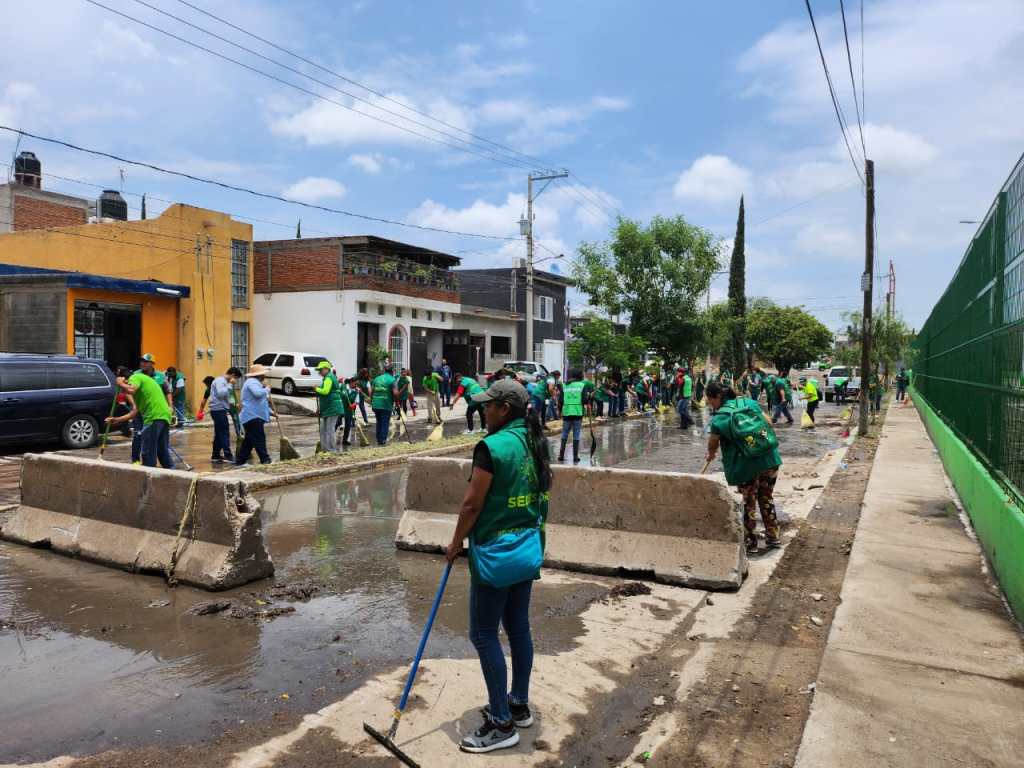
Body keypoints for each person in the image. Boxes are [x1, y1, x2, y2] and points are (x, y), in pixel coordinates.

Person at [444, 379, 551, 754]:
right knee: (518, 626)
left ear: (504, 408)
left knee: (483, 634)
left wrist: (456, 542)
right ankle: (518, 702)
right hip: (526, 547)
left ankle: (502, 723)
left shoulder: (491, 447)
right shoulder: (534, 441)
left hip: (495, 553)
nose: (482, 410)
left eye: (487, 406)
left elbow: (472, 505)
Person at [704, 381, 783, 554]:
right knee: (766, 496)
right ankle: (773, 537)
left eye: (710, 400)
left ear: (717, 397)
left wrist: (710, 454)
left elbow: (713, 443)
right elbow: (769, 423)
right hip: (770, 459)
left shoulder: (719, 419)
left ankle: (750, 543)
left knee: (748, 503)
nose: (710, 404)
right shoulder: (749, 403)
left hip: (747, 466)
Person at [107, 362, 174, 469]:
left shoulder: (135, 377)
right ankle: (173, 474)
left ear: (125, 379)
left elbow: (131, 388)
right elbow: (134, 412)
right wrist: (117, 419)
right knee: (162, 451)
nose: (124, 392)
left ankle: (147, 479)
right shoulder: (142, 389)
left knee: (147, 452)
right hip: (163, 416)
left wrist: (120, 383)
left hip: (153, 417)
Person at [130, 354, 172, 463]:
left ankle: (154, 466)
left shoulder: (160, 376)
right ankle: (135, 460)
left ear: (152, 364)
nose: (142, 364)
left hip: (155, 411)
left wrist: (170, 407)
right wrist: (134, 405)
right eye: (141, 361)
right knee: (138, 435)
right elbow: (132, 391)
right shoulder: (136, 375)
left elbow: (168, 392)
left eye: (146, 362)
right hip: (141, 411)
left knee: (155, 442)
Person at [235, 364, 272, 465]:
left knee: (249, 441)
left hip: (253, 416)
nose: (265, 376)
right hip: (252, 417)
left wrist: (271, 412)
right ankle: (265, 459)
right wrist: (267, 389)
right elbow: (258, 394)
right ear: (259, 375)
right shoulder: (252, 382)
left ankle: (240, 461)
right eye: (263, 374)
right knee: (259, 438)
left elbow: (260, 402)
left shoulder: (256, 383)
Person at [208, 367, 241, 463]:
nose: (235, 380)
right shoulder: (220, 381)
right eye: (236, 378)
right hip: (218, 410)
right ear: (233, 375)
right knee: (224, 432)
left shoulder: (225, 383)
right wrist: (230, 384)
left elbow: (228, 396)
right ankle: (228, 455)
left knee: (219, 433)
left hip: (221, 409)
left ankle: (215, 455)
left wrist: (234, 404)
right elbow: (220, 394)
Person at [558, 368, 589, 463]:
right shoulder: (582, 385)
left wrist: (560, 412)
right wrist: (588, 400)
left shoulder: (564, 386)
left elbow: (560, 401)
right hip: (577, 412)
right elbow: (584, 400)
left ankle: (561, 456)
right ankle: (575, 457)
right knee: (576, 434)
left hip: (566, 412)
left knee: (565, 433)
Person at [314, 361, 344, 453]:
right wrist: (319, 408)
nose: (319, 372)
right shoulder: (327, 378)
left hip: (333, 407)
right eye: (318, 370)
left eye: (321, 370)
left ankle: (331, 450)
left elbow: (325, 391)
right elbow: (324, 395)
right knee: (323, 429)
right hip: (327, 407)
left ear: (326, 369)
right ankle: (325, 449)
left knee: (329, 429)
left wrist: (316, 389)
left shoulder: (329, 378)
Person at [371, 365, 399, 445]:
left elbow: (371, 392)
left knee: (379, 421)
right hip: (385, 404)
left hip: (376, 404)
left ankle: (378, 439)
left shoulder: (377, 378)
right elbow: (395, 393)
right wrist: (397, 403)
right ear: (392, 372)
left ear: (384, 371)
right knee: (385, 422)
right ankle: (383, 440)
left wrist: (372, 401)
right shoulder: (392, 380)